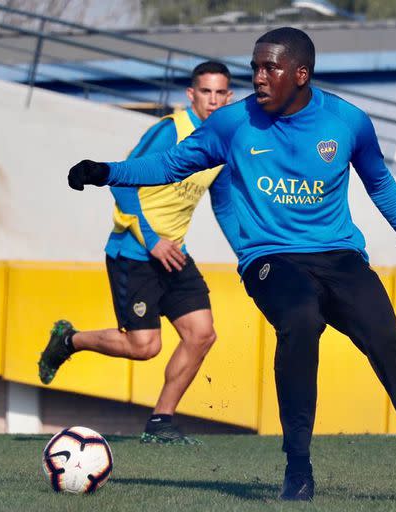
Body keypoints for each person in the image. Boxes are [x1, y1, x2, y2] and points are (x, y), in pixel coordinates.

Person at [65, 28, 396, 503]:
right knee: (300, 319)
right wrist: (107, 172)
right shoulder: (232, 124)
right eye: (254, 67)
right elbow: (170, 165)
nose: (258, 77)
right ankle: (297, 468)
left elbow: (380, 185)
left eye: (269, 68)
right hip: (270, 258)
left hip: (340, 257)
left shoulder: (347, 121)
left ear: (300, 74)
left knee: (389, 339)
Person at [38, 61, 239, 445]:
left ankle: (161, 423)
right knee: (145, 347)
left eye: (220, 93)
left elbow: (225, 204)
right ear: (191, 94)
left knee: (202, 334)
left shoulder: (223, 143)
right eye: (206, 92)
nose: (213, 100)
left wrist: (246, 254)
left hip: (174, 254)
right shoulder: (170, 131)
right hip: (134, 251)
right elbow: (124, 183)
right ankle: (68, 340)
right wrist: (152, 240)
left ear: (229, 97)